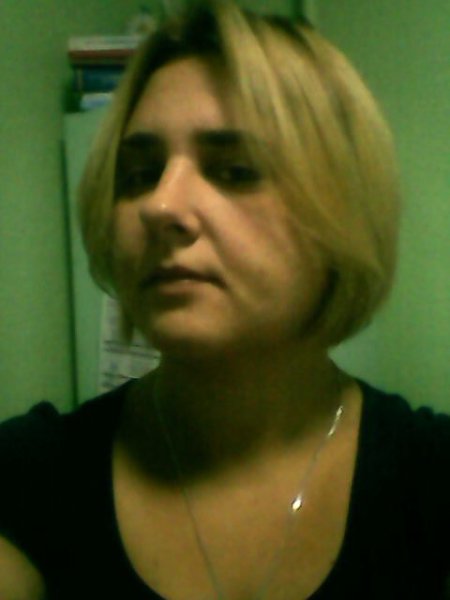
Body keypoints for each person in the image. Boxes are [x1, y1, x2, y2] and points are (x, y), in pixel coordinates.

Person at [1, 1, 449, 598]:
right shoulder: (30, 475)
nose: (161, 205)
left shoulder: (433, 478)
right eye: (138, 174)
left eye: (235, 170)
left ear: (343, 209)